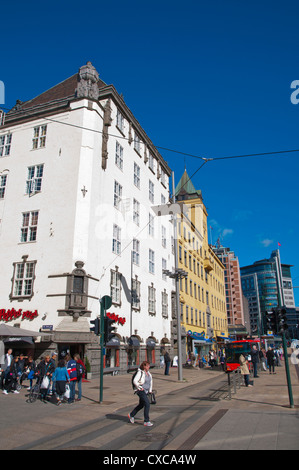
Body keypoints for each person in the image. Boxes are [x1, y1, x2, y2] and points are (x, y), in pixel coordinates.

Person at [128, 361, 153, 427]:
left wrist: (150, 390)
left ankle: (131, 415)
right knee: (147, 404)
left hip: (146, 391)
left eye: (149, 365)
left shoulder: (148, 373)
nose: (149, 367)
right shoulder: (140, 372)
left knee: (141, 405)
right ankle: (146, 421)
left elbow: (151, 382)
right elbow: (135, 381)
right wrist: (139, 387)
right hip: (140, 391)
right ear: (144, 366)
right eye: (147, 366)